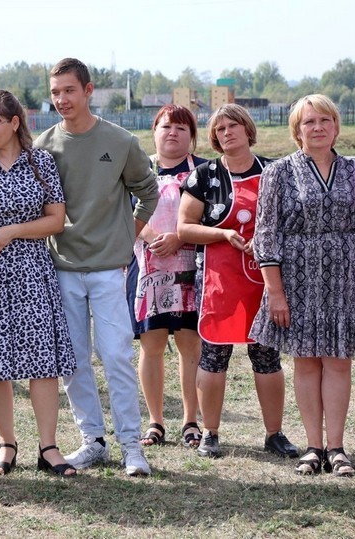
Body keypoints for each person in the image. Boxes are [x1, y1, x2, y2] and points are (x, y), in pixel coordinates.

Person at [34, 58, 159, 477]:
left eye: (69, 90)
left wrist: (126, 239)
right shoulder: (44, 147)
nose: (62, 99)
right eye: (55, 92)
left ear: (88, 90)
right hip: (62, 267)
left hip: (108, 269)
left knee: (117, 355)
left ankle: (132, 446)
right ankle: (93, 441)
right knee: (73, 360)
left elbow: (148, 191)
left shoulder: (120, 141)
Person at [250, 95, 355, 477]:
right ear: (297, 130)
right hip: (295, 280)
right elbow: (265, 234)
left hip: (342, 279)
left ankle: (336, 447)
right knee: (305, 362)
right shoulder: (279, 173)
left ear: (336, 126)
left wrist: (336, 252)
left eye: (324, 120)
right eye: (309, 122)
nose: (317, 127)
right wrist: (275, 291)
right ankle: (313, 447)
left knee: (338, 361)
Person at [0, 90, 77, 477]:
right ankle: (6, 445)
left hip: (32, 271)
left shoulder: (40, 162)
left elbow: (56, 220)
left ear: (14, 123)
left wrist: (12, 231)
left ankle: (49, 447)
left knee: (42, 360)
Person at [177, 104, 298, 460]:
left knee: (267, 354)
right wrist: (223, 234)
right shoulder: (204, 176)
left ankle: (274, 433)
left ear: (248, 129)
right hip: (220, 279)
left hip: (265, 278)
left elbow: (289, 222)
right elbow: (184, 228)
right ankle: (210, 432)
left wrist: (265, 240)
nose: (227, 133)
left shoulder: (274, 172)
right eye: (220, 129)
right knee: (214, 354)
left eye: (233, 126)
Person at [126, 104, 205, 449]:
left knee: (190, 345)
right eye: (166, 126)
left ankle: (191, 421)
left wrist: (179, 237)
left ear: (192, 136)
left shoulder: (205, 172)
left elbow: (213, 218)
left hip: (192, 267)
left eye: (181, 128)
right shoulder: (136, 169)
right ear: (154, 131)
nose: (173, 133)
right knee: (152, 345)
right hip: (146, 268)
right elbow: (122, 212)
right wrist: (148, 235)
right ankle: (155, 421)